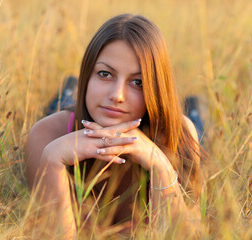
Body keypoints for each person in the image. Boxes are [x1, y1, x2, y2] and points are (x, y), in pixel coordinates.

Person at [25, 14, 204, 238]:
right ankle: (67, 93)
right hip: (72, 118)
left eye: (137, 82)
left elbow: (186, 234)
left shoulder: (179, 134)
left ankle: (195, 108)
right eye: (104, 74)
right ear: (87, 76)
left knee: (197, 126)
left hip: (172, 126)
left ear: (156, 88)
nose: (117, 95)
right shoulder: (46, 136)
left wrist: (160, 165)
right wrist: (52, 159)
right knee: (61, 105)